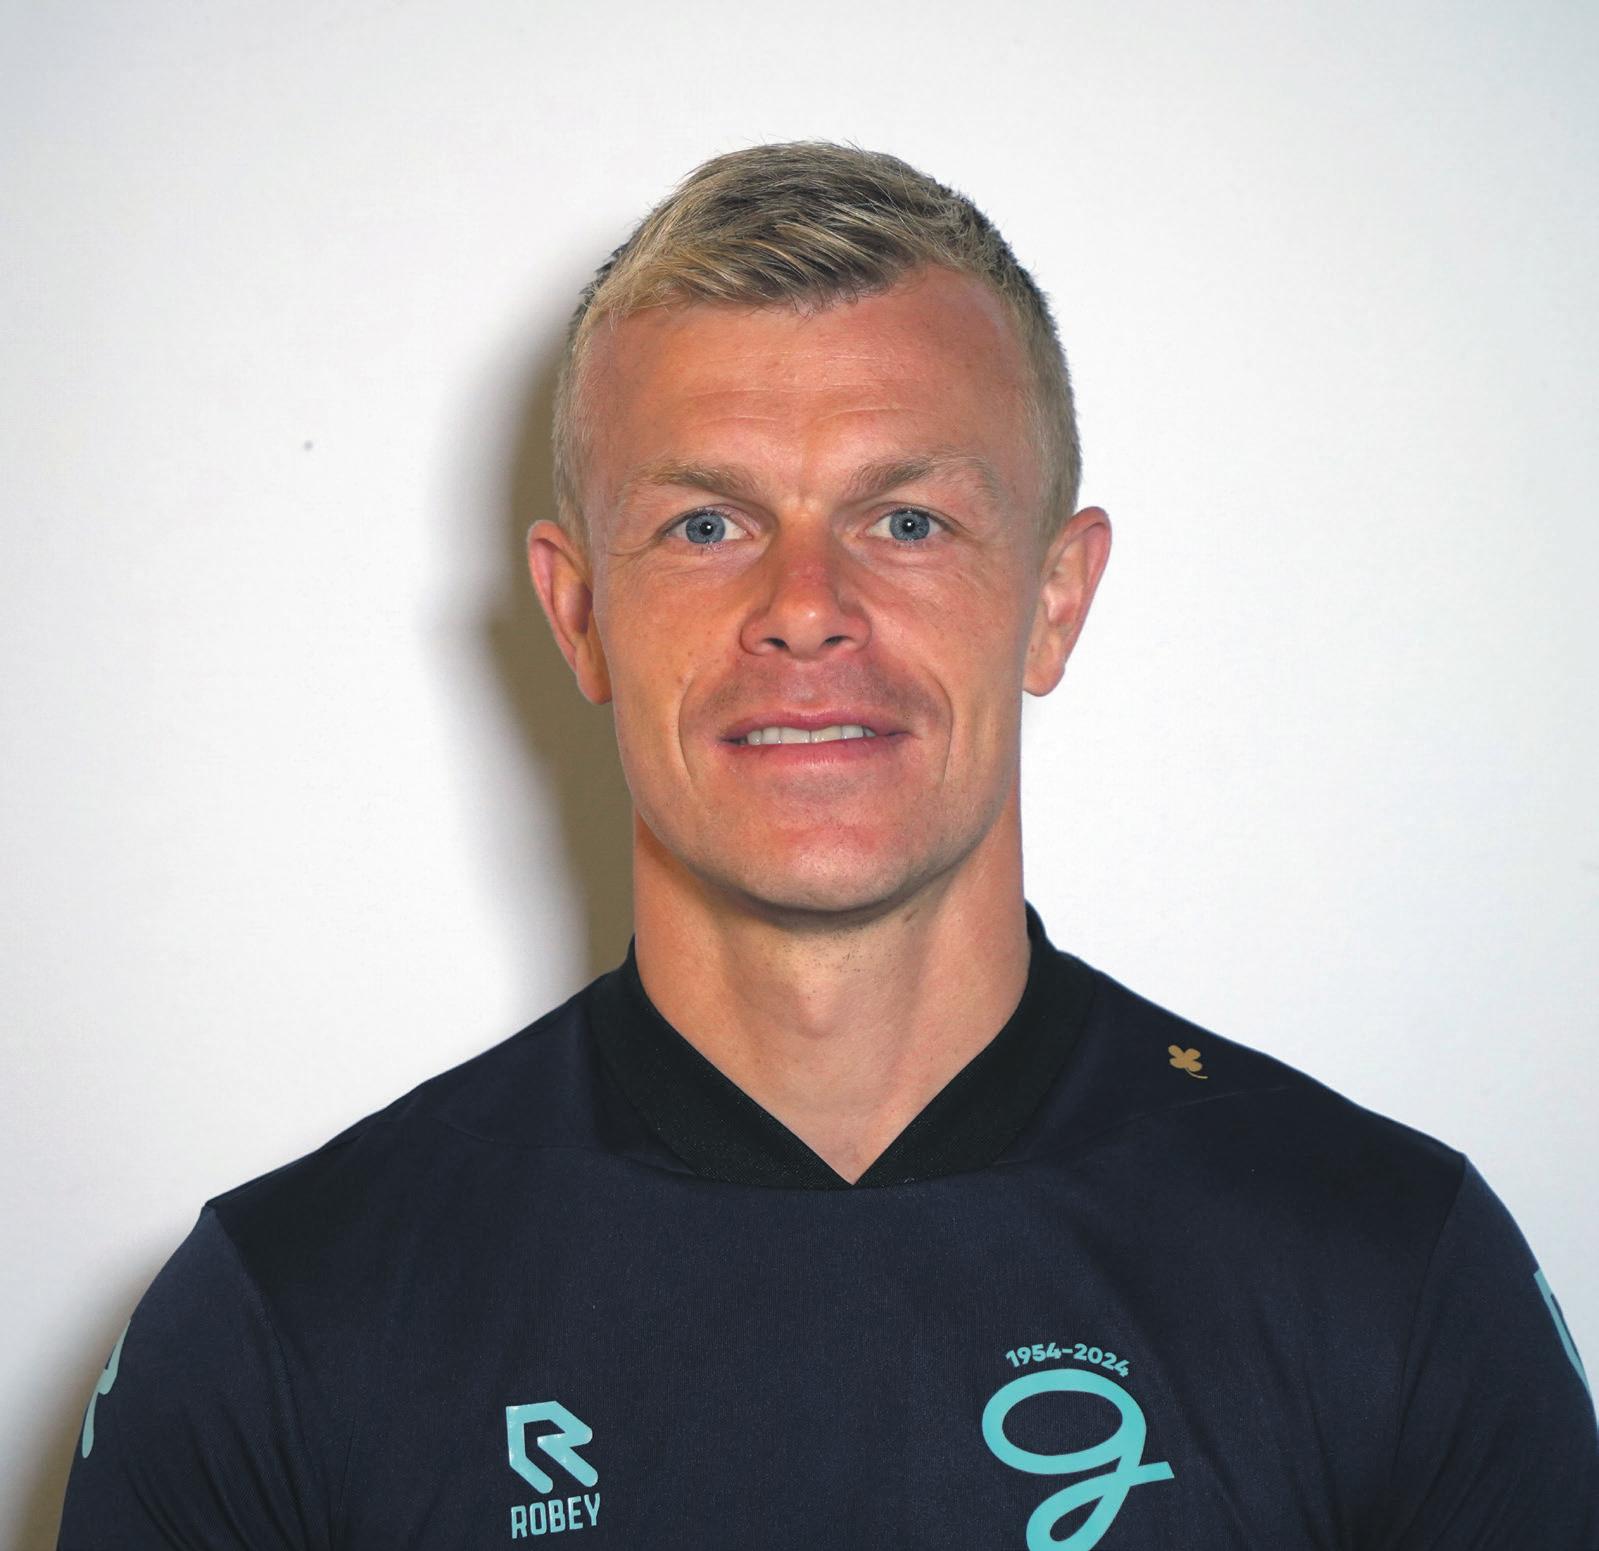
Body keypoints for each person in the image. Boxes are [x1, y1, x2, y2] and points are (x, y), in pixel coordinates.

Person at [58, 143, 1597, 1550]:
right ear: (579, 611)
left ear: (1056, 598)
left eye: (907, 521)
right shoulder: (285, 1323)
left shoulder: (1388, 1273)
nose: (804, 608)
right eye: (707, 525)